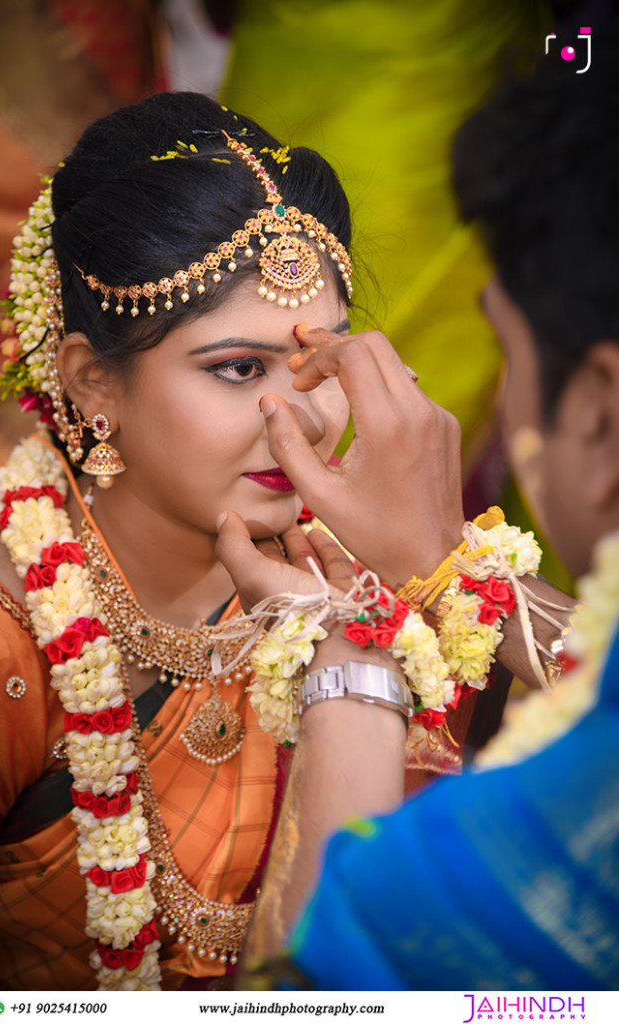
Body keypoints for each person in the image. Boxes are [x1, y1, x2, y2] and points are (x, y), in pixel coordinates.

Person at [212, 21, 619, 990]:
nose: (291, 410)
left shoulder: (497, 872)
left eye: (503, 354)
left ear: (599, 413)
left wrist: (351, 658)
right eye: (233, 365)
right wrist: (445, 560)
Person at [0, 91, 357, 991]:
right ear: (94, 384)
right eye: (240, 369)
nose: (296, 420)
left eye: (318, 365)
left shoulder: (350, 586)